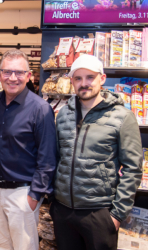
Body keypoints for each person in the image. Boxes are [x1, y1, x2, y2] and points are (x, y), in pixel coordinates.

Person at [51, 55, 143, 250]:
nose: (84, 84)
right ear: (72, 81)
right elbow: (58, 158)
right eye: (78, 78)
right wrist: (54, 203)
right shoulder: (64, 115)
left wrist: (117, 215)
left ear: (102, 79)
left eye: (90, 77)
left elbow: (133, 168)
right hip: (63, 210)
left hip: (99, 213)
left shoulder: (122, 117)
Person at [0, 49, 57, 250]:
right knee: (0, 245)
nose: (12, 78)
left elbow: (48, 156)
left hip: (23, 193)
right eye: (7, 72)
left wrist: (35, 195)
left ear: (29, 76)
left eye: (19, 73)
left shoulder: (40, 108)